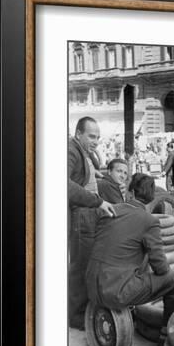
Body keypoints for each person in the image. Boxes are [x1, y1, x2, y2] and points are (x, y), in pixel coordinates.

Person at [86, 173, 174, 346]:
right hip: (115, 291)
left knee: (132, 255)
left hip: (90, 284)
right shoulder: (149, 221)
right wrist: (164, 273)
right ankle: (164, 339)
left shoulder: (109, 209)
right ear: (152, 197)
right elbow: (160, 266)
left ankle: (132, 309)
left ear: (131, 191)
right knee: (173, 281)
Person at [68, 116, 115, 330]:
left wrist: (98, 173)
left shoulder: (82, 152)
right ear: (78, 134)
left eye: (98, 137)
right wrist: (97, 201)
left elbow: (83, 176)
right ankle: (77, 317)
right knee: (81, 266)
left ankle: (82, 309)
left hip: (88, 215)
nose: (95, 141)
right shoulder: (71, 150)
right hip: (82, 216)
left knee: (86, 264)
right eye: (91, 136)